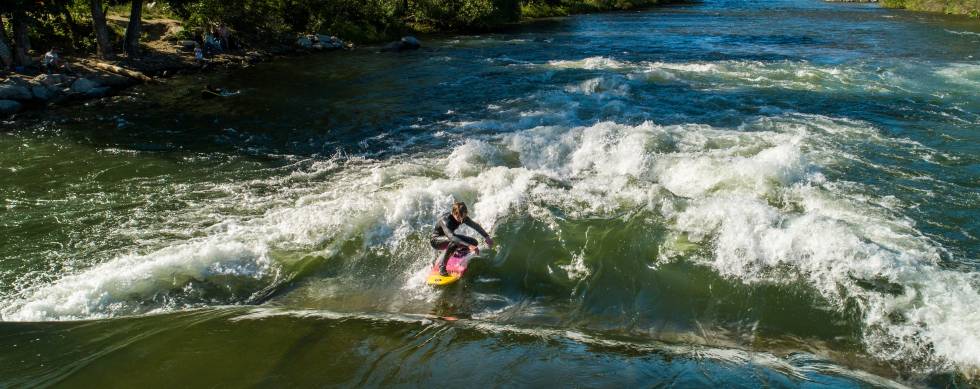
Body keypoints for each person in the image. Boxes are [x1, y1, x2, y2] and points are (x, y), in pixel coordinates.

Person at [430, 201, 494, 276]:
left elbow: (475, 226)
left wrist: (486, 236)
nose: (461, 220)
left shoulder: (462, 217)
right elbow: (452, 237)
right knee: (456, 242)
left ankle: (458, 251)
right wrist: (468, 246)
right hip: (436, 241)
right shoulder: (445, 220)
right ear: (454, 213)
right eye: (459, 218)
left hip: (450, 239)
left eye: (463, 217)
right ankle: (442, 266)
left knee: (474, 242)